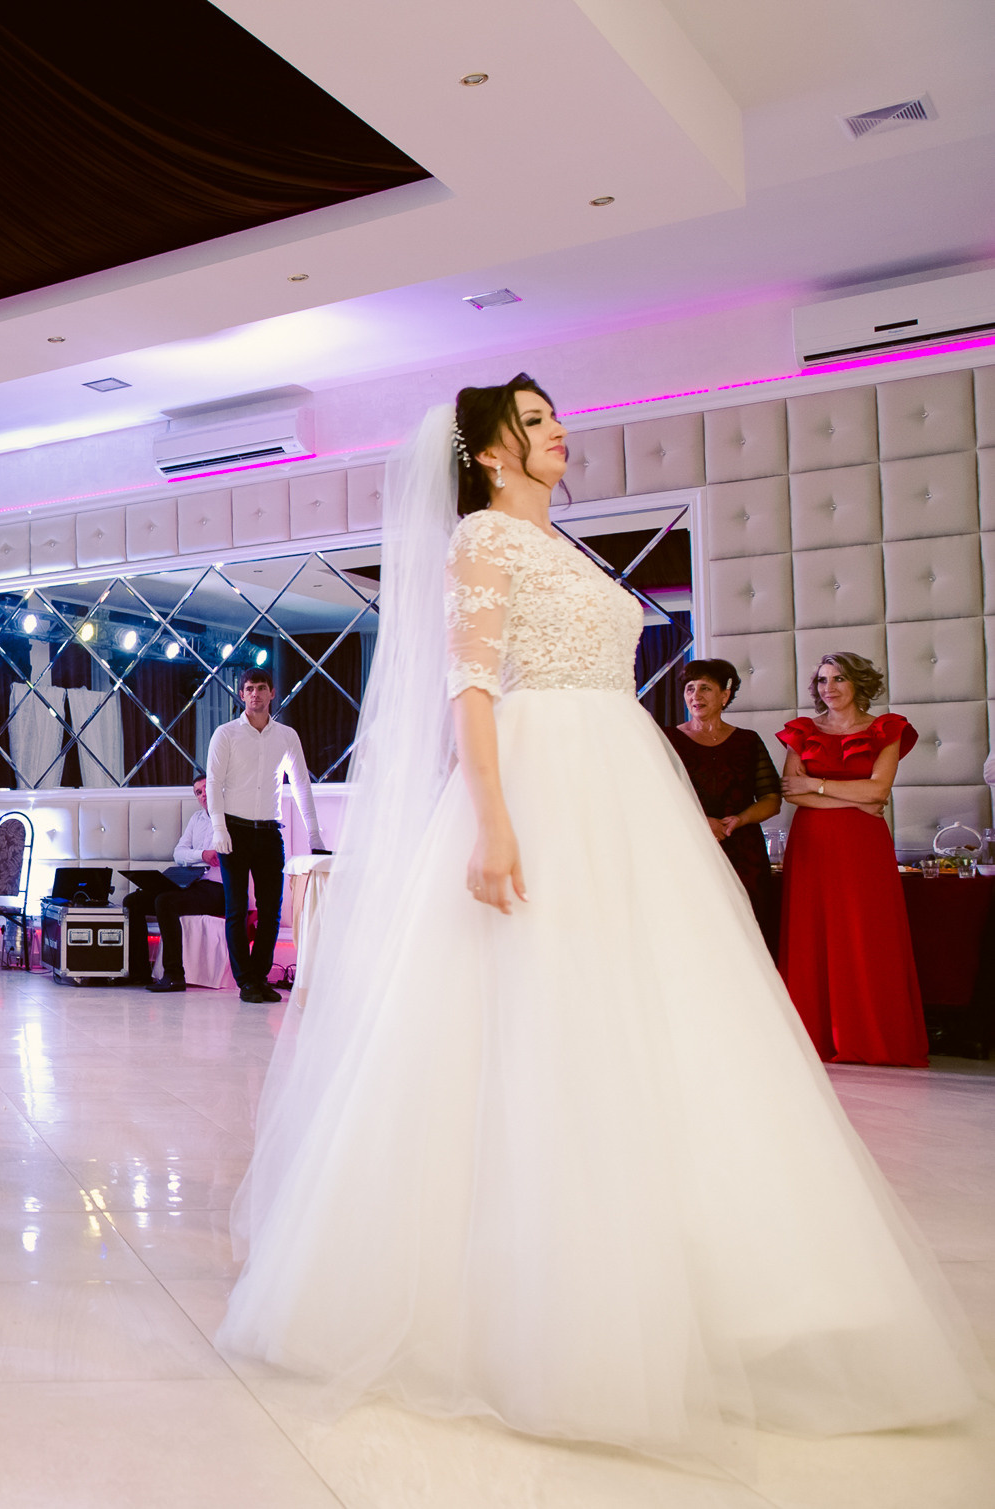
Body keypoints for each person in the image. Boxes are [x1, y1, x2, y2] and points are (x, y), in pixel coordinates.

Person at [219, 378, 985, 1466]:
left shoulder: (564, 546)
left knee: (670, 1019)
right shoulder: (483, 540)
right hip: (539, 783)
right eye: (530, 422)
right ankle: (535, 1306)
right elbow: (470, 687)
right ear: (486, 453)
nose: (556, 429)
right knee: (534, 1021)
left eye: (552, 415)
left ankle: (731, 1289)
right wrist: (492, 823)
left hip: (622, 785)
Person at [777, 654, 925, 1066]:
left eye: (838, 678)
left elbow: (879, 792)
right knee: (814, 933)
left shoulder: (887, 729)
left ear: (858, 682)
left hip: (863, 846)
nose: (829, 688)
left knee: (865, 933)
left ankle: (870, 1037)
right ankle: (816, 1037)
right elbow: (792, 792)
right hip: (813, 845)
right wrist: (850, 799)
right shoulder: (802, 731)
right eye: (822, 680)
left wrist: (818, 785)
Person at [203, 667, 324, 1003]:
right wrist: (218, 828)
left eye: (260, 688)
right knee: (237, 909)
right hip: (234, 831)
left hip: (270, 831)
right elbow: (213, 782)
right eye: (248, 688)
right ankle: (245, 982)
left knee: (272, 911)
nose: (254, 694)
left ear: (272, 693)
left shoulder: (286, 737)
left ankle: (260, 976)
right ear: (241, 695)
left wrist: (314, 835)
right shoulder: (225, 734)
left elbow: (300, 783)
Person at [663, 659, 781, 953]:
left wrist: (738, 820)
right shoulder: (667, 740)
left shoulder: (748, 741)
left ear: (724, 695)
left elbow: (771, 799)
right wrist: (701, 822)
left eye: (705, 688)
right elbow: (656, 797)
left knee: (748, 934)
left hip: (744, 854)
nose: (695, 696)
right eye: (689, 689)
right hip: (688, 851)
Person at [117, 777, 228, 991]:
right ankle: (139, 973)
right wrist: (203, 855)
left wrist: (198, 856)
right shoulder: (196, 819)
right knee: (133, 900)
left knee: (165, 902)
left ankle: (174, 974)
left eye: (206, 789)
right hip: (191, 884)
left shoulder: (229, 820)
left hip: (218, 889)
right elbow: (179, 853)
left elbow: (221, 854)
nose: (203, 794)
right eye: (198, 792)